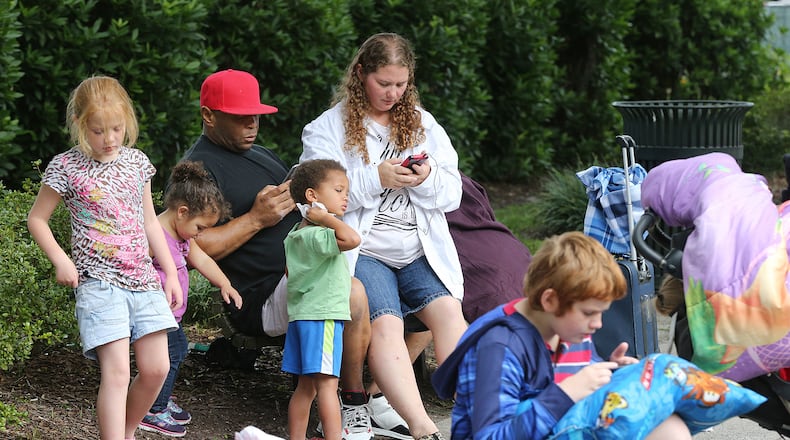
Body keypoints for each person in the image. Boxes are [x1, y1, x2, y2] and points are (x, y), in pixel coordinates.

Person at [180, 69, 378, 440]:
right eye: (240, 117)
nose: (252, 124)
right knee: (351, 293)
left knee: (379, 281)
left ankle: (362, 397)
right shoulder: (196, 172)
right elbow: (191, 247)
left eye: (256, 115)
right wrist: (255, 219)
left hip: (301, 275)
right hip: (258, 296)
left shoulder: (260, 154)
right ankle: (347, 404)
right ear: (209, 115)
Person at [300, 32, 469, 440]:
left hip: (417, 248)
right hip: (367, 249)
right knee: (388, 326)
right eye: (383, 83)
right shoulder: (327, 128)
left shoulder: (423, 123)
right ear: (361, 74)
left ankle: (476, 415)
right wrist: (375, 177)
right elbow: (310, 200)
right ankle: (424, 429)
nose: (393, 93)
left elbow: (452, 194)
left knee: (450, 315)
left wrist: (425, 176)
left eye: (401, 84)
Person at [27, 75, 182, 440]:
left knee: (157, 368)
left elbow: (149, 221)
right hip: (99, 283)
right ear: (80, 126)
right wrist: (61, 260)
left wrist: (172, 273)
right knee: (117, 374)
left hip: (144, 280)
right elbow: (37, 218)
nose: (109, 139)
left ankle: (124, 433)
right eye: (98, 131)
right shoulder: (66, 168)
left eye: (116, 128)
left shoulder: (137, 164)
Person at [431, 231, 692, 440]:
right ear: (550, 300)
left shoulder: (567, 329)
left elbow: (574, 374)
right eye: (589, 312)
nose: (598, 324)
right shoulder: (499, 347)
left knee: (670, 428)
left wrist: (611, 373)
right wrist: (566, 394)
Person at [139, 160, 244, 437]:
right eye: (200, 227)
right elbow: (135, 271)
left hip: (170, 315)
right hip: (154, 314)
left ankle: (155, 398)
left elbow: (202, 259)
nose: (201, 233)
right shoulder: (155, 236)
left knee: (174, 353)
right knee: (174, 353)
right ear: (182, 212)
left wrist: (225, 283)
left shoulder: (182, 234)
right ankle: (153, 409)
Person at [282, 159, 362, 440]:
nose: (345, 197)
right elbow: (352, 239)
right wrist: (326, 218)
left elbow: (290, 272)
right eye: (339, 190)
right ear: (312, 196)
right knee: (329, 387)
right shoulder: (318, 234)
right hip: (324, 317)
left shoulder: (294, 236)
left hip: (302, 317)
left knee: (306, 387)